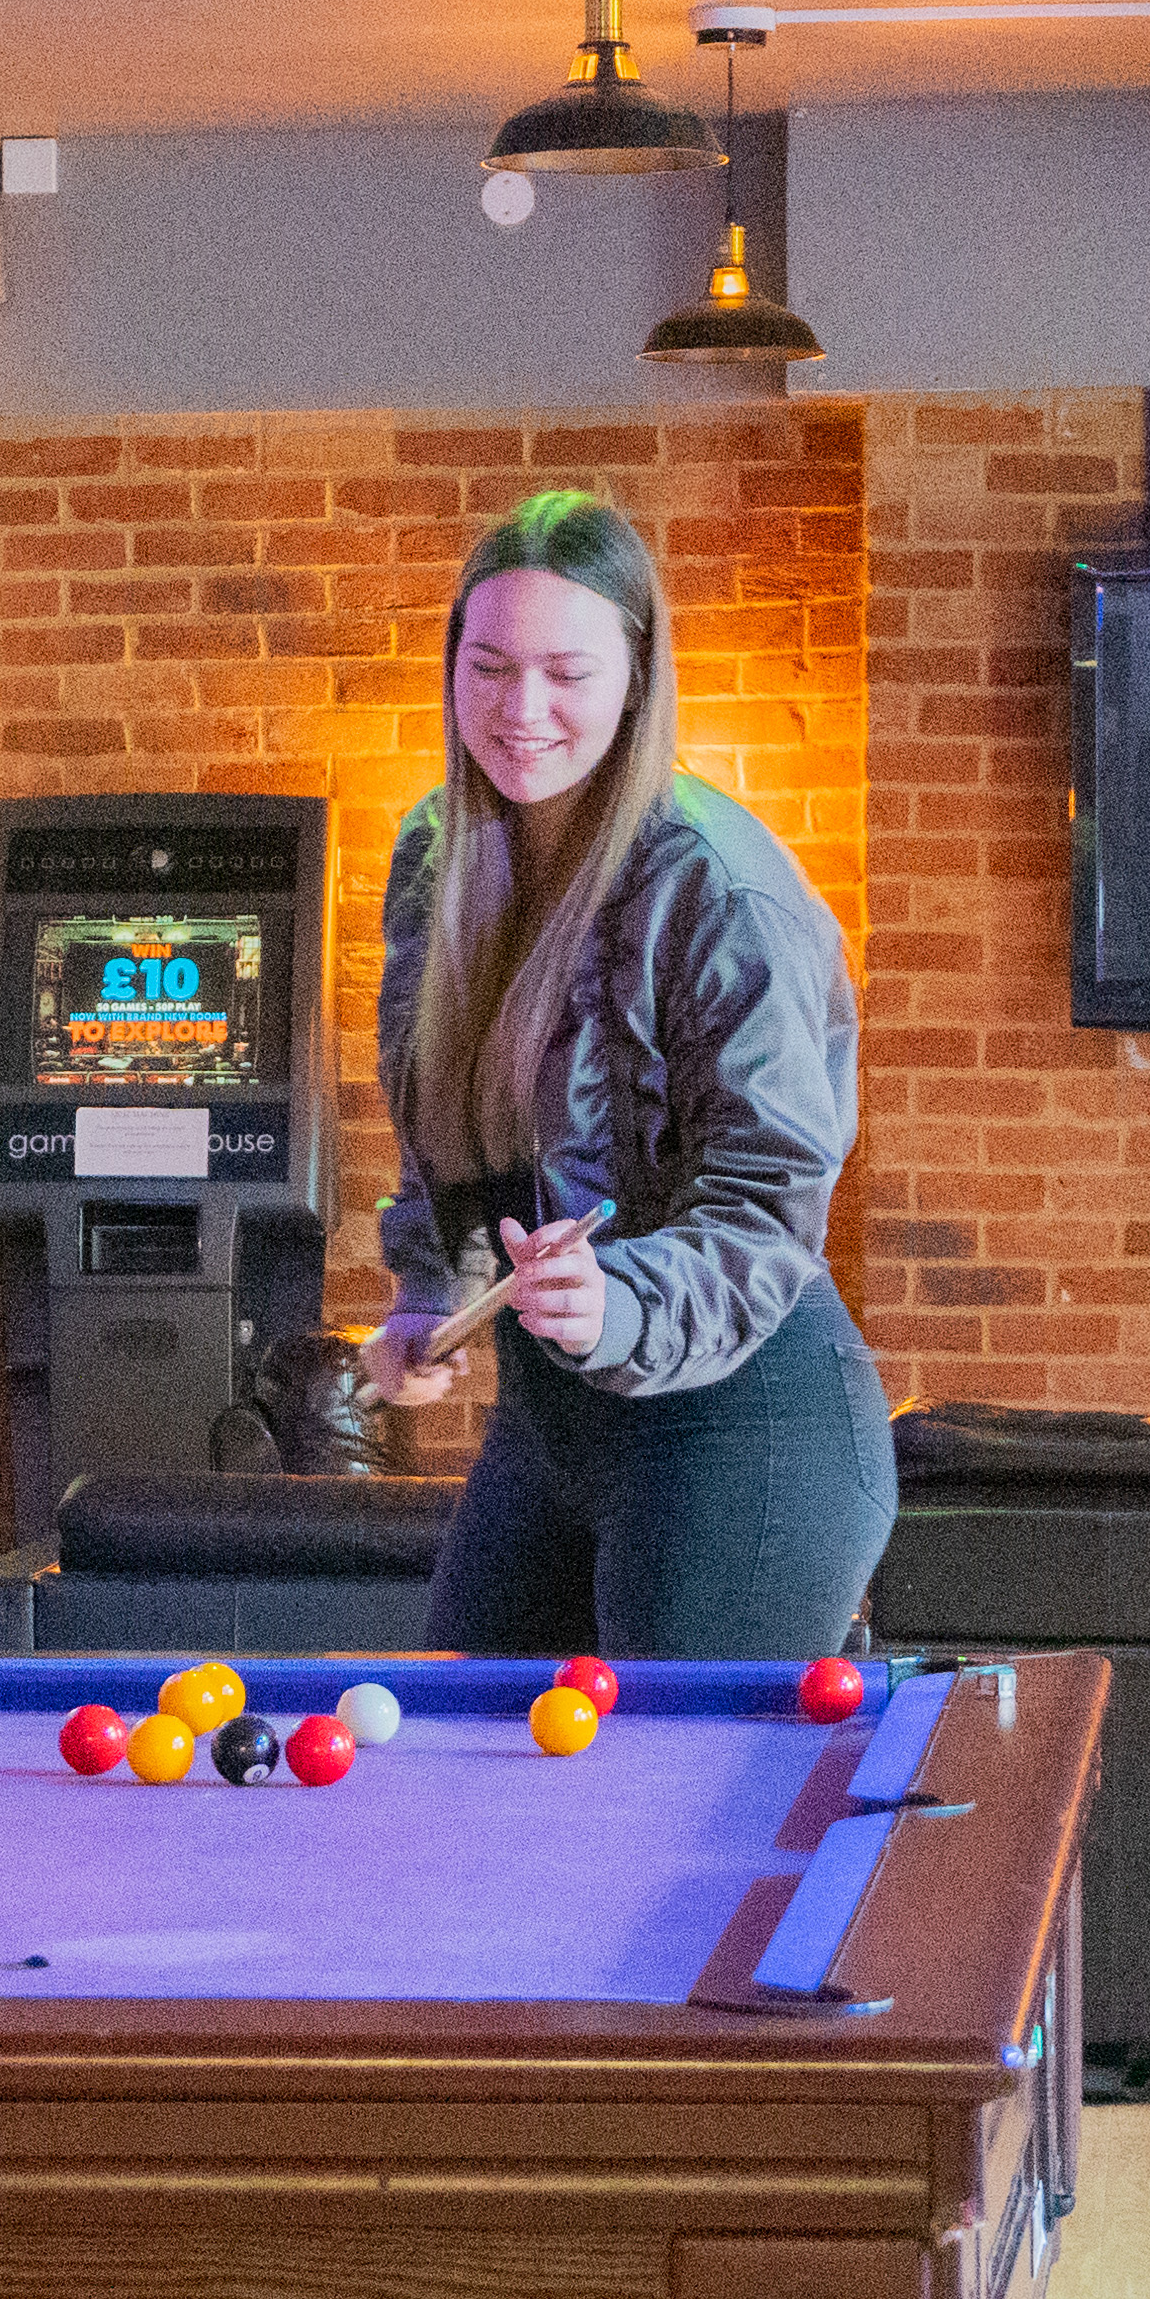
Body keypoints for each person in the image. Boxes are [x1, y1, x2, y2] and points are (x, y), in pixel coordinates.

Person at [362, 489, 890, 1655]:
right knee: (471, 1776)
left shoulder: (715, 885)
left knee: (673, 1819)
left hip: (747, 1427)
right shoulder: (431, 856)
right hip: (549, 1431)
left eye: (567, 671)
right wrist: (427, 1301)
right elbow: (439, 1124)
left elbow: (766, 1208)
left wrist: (626, 1300)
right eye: (489, 666)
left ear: (639, 680)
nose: (521, 710)